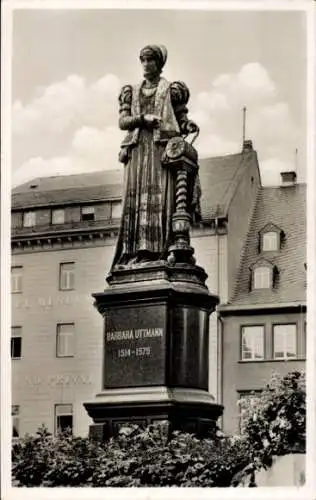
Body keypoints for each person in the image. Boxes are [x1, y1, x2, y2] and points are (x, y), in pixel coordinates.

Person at [111, 44, 200, 269]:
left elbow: (180, 117)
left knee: (160, 200)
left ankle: (160, 250)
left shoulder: (172, 90)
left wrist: (187, 124)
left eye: (150, 60)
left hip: (162, 151)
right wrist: (143, 119)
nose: (146, 64)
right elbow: (123, 122)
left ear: (159, 64)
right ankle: (134, 252)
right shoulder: (130, 90)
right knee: (137, 201)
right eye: (143, 60)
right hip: (138, 151)